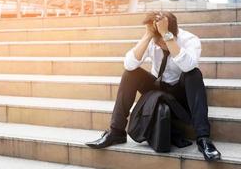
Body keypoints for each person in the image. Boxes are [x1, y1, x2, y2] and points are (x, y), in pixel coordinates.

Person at [85, 11, 221, 161]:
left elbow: (188, 66)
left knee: (194, 74)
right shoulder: (152, 40)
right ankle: (116, 132)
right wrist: (148, 36)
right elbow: (129, 64)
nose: (160, 45)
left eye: (162, 41)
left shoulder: (190, 40)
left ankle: (203, 138)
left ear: (174, 33)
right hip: (158, 89)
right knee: (130, 74)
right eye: (158, 41)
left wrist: (167, 37)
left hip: (181, 95)